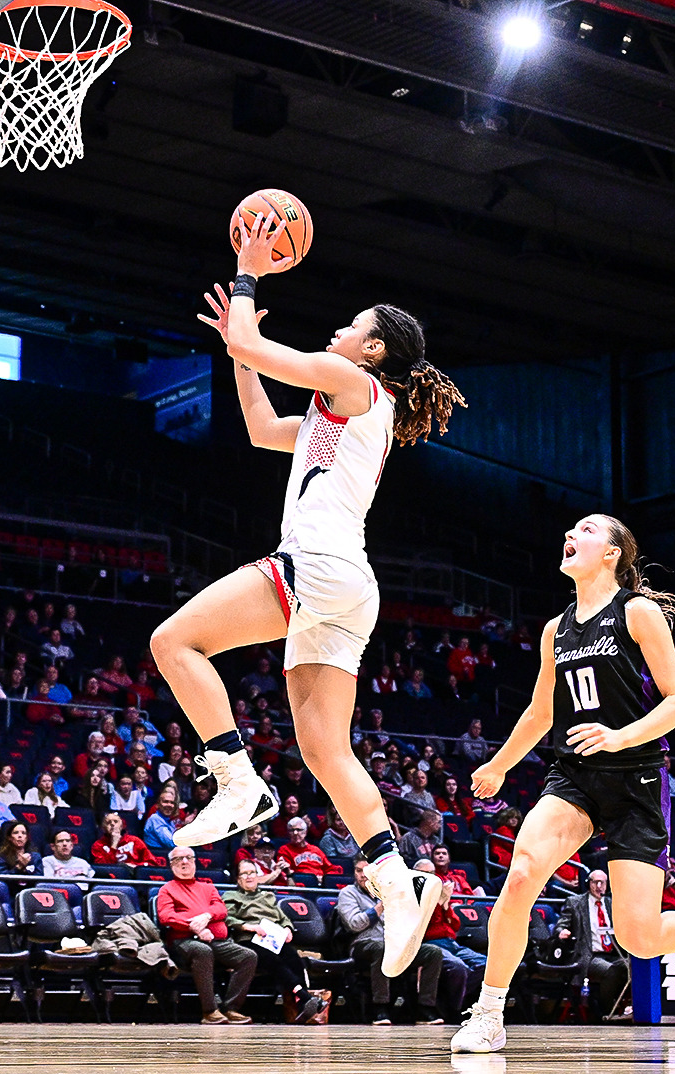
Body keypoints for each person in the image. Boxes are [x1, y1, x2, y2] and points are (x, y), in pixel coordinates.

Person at [151, 244, 465, 988]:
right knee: (327, 753)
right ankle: (399, 882)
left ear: (374, 349)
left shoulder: (352, 381)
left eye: (353, 326)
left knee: (175, 641)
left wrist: (249, 275)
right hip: (349, 585)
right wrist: (239, 349)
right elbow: (262, 427)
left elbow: (255, 343)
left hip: (317, 566)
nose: (339, 331)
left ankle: (236, 779)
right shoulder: (345, 410)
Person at [452, 516, 675, 1053]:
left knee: (638, 937)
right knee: (521, 876)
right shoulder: (556, 629)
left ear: (612, 553)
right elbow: (542, 712)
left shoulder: (638, 612)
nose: (571, 533)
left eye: (587, 529)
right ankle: (489, 1014)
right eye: (570, 528)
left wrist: (618, 737)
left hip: (636, 778)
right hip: (574, 776)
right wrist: (499, 765)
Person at [338, 854, 447, 1024]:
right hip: (363, 945)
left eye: (366, 871)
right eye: (358, 871)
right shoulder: (348, 893)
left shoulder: (387, 891)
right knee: (381, 948)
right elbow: (354, 924)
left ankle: (425, 1008)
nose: (363, 875)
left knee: (432, 952)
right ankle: (380, 1008)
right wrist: (380, 907)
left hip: (393, 943)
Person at [157, 846, 258, 1024]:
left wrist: (206, 916)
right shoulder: (167, 889)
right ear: (171, 865)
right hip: (183, 941)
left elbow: (221, 909)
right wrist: (194, 927)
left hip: (216, 940)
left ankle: (230, 1008)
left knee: (248, 956)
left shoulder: (208, 887)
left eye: (189, 857)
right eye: (179, 859)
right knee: (202, 951)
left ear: (195, 862)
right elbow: (166, 916)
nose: (184, 862)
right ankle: (210, 1011)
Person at [222, 857, 328, 1023]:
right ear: (237, 878)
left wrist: (287, 928)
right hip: (249, 940)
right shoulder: (231, 896)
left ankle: (302, 1005)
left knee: (293, 958)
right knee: (273, 961)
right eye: (244, 874)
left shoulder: (268, 896)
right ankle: (304, 996)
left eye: (252, 873)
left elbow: (283, 918)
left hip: (273, 939)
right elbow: (226, 918)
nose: (249, 877)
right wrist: (247, 926)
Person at [556, 869, 632, 1020]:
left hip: (614, 953)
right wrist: (561, 931)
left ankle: (630, 1007)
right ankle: (607, 1011)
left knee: (634, 967)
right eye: (595, 882)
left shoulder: (611, 903)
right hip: (589, 955)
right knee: (612, 970)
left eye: (602, 883)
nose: (599, 886)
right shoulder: (575, 902)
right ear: (588, 883)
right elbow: (561, 924)